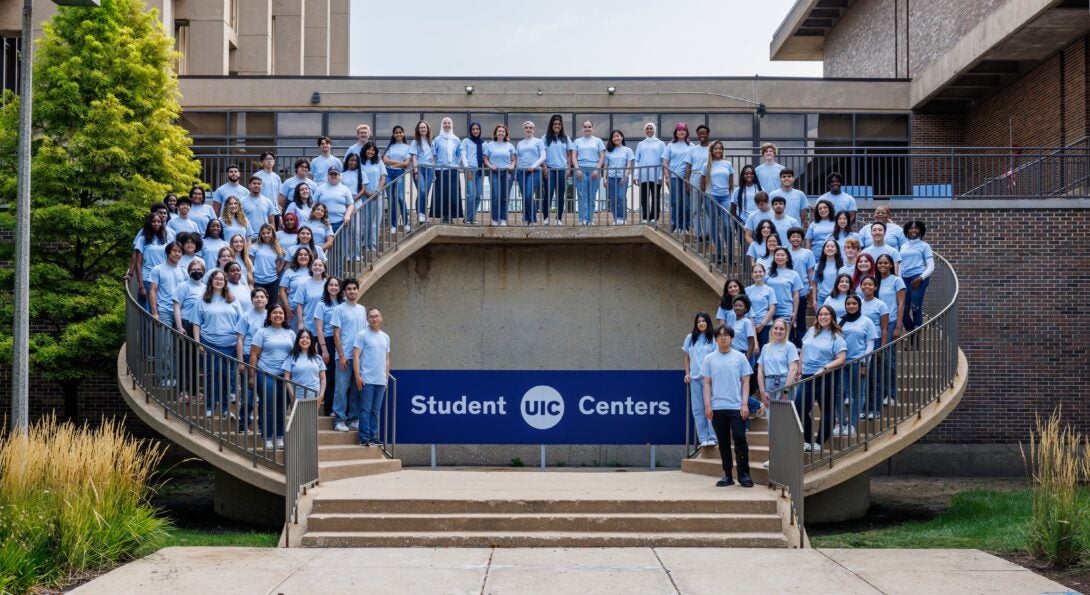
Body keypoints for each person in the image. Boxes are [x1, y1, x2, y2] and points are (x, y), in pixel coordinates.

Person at [700, 324, 755, 488]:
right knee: (723, 442)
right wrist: (707, 405)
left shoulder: (740, 357)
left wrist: (745, 404)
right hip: (717, 407)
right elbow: (707, 384)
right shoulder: (709, 359)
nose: (723, 337)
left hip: (736, 406)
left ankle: (744, 475)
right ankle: (727, 475)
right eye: (719, 335)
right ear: (716, 339)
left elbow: (746, 382)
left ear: (731, 338)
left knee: (740, 439)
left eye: (726, 335)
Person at [194, 269, 244, 419]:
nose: (219, 281)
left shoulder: (233, 300)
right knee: (211, 375)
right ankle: (209, 406)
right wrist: (197, 342)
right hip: (209, 342)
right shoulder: (202, 300)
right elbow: (196, 323)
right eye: (216, 279)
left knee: (226, 376)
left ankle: (224, 408)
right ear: (211, 281)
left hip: (229, 344)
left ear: (225, 282)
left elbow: (240, 324)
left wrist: (238, 343)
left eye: (222, 279)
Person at [798, 305, 847, 452]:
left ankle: (819, 442)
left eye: (826, 314)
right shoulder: (811, 331)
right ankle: (807, 441)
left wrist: (825, 368)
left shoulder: (836, 336)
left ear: (832, 317)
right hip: (807, 376)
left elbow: (841, 359)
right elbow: (803, 350)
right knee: (800, 408)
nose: (823, 317)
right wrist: (800, 368)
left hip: (826, 376)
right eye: (820, 314)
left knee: (826, 410)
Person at [249, 304, 296, 449]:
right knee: (269, 405)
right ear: (269, 316)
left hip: (285, 375)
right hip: (265, 373)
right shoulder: (262, 332)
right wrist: (251, 375)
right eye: (275, 313)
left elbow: (295, 355)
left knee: (282, 406)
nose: (278, 315)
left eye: (281, 313)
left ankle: (280, 435)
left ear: (284, 316)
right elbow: (254, 355)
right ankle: (268, 436)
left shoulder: (291, 333)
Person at [835, 294, 877, 438]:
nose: (851, 306)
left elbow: (870, 344)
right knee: (838, 393)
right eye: (848, 303)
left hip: (858, 362)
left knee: (858, 393)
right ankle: (840, 423)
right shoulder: (840, 321)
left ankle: (852, 424)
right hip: (841, 362)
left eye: (854, 303)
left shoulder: (867, 321)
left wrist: (865, 363)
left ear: (859, 305)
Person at [331, 278, 367, 432]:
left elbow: (365, 333)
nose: (352, 291)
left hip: (359, 356)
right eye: (349, 289)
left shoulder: (362, 309)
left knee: (356, 388)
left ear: (357, 290)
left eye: (354, 288)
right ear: (344, 292)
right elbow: (336, 334)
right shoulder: (339, 309)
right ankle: (339, 419)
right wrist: (341, 355)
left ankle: (353, 418)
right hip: (344, 355)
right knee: (341, 389)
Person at [147, 241, 185, 387]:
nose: (177, 253)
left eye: (179, 251)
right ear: (168, 253)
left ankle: (175, 376)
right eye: (174, 251)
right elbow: (153, 291)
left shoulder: (183, 271)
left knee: (176, 347)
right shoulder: (158, 269)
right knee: (164, 346)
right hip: (164, 310)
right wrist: (154, 312)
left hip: (180, 313)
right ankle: (163, 376)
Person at [353, 307, 391, 447]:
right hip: (366, 379)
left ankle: (373, 437)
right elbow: (356, 356)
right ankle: (364, 438)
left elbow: (387, 359)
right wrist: (358, 376)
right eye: (371, 317)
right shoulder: (362, 335)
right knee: (365, 409)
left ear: (381, 318)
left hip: (380, 380)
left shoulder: (385, 337)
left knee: (375, 411)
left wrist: (386, 378)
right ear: (367, 320)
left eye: (376, 316)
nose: (374, 319)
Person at [234, 286, 269, 432]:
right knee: (248, 395)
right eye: (256, 297)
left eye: (262, 297)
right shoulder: (246, 316)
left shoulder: (271, 315)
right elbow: (240, 340)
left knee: (265, 396)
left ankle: (263, 426)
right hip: (249, 357)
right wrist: (241, 361)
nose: (259, 299)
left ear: (267, 299)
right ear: (252, 300)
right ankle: (243, 425)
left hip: (267, 358)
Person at [756, 317, 800, 427]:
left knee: (785, 422)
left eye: (781, 329)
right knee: (772, 422)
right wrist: (762, 391)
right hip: (769, 385)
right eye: (776, 328)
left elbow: (793, 369)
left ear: (786, 331)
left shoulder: (790, 346)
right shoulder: (766, 347)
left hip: (785, 384)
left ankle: (787, 444)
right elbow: (760, 371)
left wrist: (785, 391)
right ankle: (774, 445)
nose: (778, 331)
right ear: (771, 329)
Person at [682, 312, 717, 448]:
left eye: (704, 321)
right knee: (697, 409)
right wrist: (687, 373)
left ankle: (712, 437)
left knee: (710, 407)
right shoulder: (690, 338)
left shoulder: (713, 338)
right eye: (699, 321)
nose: (701, 323)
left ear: (708, 323)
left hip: (709, 379)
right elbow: (687, 357)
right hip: (695, 378)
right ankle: (703, 438)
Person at [875, 254, 906, 405]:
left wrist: (898, 326)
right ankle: (882, 393)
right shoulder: (875, 281)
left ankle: (892, 395)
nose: (882, 265)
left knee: (890, 360)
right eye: (880, 263)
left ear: (891, 265)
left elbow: (901, 304)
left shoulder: (896, 280)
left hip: (892, 322)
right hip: (877, 324)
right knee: (879, 361)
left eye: (885, 263)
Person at [127, 212, 174, 307]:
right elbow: (138, 263)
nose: (156, 224)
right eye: (153, 221)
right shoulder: (142, 239)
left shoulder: (166, 239)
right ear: (149, 223)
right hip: (148, 277)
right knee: (147, 309)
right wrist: (141, 286)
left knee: (161, 307)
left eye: (159, 221)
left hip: (163, 277)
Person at [313, 276, 343, 416]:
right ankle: (329, 408)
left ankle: (341, 408)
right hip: (328, 341)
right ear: (326, 287)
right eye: (331, 285)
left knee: (341, 376)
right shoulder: (321, 305)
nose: (334, 287)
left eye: (336, 285)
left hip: (343, 341)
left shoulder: (343, 303)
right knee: (329, 376)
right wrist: (324, 349)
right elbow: (319, 329)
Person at [899, 220, 934, 333]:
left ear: (920, 230)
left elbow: (931, 266)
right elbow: (901, 264)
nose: (913, 230)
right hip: (904, 279)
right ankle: (912, 333)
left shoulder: (925, 246)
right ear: (907, 230)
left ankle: (916, 339)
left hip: (918, 278)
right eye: (911, 228)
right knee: (903, 310)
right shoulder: (903, 246)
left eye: (916, 228)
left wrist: (920, 278)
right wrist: (899, 280)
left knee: (916, 308)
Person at [786, 228, 816, 346]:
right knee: (789, 317)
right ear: (789, 239)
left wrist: (811, 287)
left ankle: (801, 343)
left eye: (798, 236)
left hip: (802, 289)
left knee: (801, 318)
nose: (796, 239)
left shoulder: (807, 253)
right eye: (793, 236)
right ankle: (790, 341)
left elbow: (810, 271)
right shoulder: (785, 251)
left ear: (802, 239)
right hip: (787, 290)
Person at [573, 120, 605, 226]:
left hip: (594, 170)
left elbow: (602, 157)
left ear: (592, 128)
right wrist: (577, 169)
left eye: (589, 126)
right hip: (580, 169)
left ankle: (590, 219)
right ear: (582, 128)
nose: (587, 128)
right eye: (585, 126)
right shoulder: (577, 141)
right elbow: (573, 156)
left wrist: (597, 169)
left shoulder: (598, 141)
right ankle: (582, 219)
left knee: (591, 196)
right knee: (582, 196)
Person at [543, 115, 574, 226]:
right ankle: (546, 217)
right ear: (552, 125)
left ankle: (558, 218)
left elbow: (569, 154)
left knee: (561, 194)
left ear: (561, 126)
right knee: (548, 193)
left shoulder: (565, 138)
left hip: (561, 169)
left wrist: (568, 168)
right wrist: (545, 167)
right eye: (555, 124)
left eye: (559, 124)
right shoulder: (545, 138)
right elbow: (543, 154)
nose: (557, 126)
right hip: (550, 169)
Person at [686, 125, 716, 237]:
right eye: (699, 133)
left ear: (708, 134)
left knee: (708, 207)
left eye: (703, 133)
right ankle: (698, 234)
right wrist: (687, 182)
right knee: (695, 209)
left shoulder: (712, 149)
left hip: (709, 178)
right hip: (695, 176)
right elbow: (688, 167)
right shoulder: (692, 149)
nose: (701, 135)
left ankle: (707, 234)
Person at [282, 329, 327, 404]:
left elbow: (323, 378)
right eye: (302, 337)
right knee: (298, 416)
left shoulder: (318, 358)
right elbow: (286, 378)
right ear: (298, 340)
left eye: (307, 338)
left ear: (311, 341)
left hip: (315, 395)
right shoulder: (291, 357)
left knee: (312, 416)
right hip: (297, 395)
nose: (305, 339)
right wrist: (292, 395)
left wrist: (321, 395)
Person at [484, 124, 517, 226]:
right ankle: (494, 219)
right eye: (499, 131)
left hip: (507, 173)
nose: (501, 133)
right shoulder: (490, 145)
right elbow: (485, 159)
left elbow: (514, 159)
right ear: (495, 133)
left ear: (505, 133)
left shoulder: (510, 145)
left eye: (503, 131)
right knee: (495, 196)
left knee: (505, 197)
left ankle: (503, 219)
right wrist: (490, 166)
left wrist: (512, 165)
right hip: (494, 172)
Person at [514, 121, 546, 225]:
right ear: (524, 130)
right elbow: (518, 158)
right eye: (526, 128)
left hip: (534, 171)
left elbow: (543, 156)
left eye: (530, 128)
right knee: (525, 196)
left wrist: (534, 166)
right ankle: (527, 219)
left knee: (528, 194)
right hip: (521, 172)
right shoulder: (520, 143)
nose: (528, 129)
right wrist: (517, 170)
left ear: (533, 130)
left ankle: (532, 219)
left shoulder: (538, 141)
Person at [661, 123, 692, 232]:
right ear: (676, 132)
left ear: (687, 132)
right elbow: (665, 162)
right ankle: (676, 225)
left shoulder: (691, 146)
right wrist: (667, 177)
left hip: (686, 178)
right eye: (679, 130)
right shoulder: (670, 146)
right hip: (673, 176)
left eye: (684, 130)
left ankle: (685, 225)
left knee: (686, 203)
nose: (681, 132)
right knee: (675, 202)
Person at [357, 142, 388, 248]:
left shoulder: (379, 162)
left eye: (373, 150)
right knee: (364, 220)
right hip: (363, 194)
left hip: (377, 195)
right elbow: (359, 179)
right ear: (365, 150)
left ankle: (373, 244)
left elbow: (383, 177)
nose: (371, 152)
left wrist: (378, 191)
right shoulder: (360, 162)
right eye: (368, 149)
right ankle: (364, 244)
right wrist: (366, 192)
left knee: (375, 220)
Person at [432, 117, 463, 223]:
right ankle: (443, 216)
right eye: (444, 123)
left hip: (453, 170)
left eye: (449, 123)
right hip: (440, 170)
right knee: (441, 194)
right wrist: (434, 169)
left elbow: (459, 155)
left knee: (453, 193)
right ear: (442, 125)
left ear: (452, 125)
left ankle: (451, 216)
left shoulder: (456, 139)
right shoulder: (437, 139)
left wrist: (454, 164)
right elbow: (434, 156)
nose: (447, 125)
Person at [383, 125, 412, 233]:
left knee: (400, 197)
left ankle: (406, 223)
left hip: (400, 173)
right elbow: (385, 160)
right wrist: (399, 163)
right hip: (389, 174)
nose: (398, 134)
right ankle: (393, 225)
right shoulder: (391, 146)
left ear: (403, 134)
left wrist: (394, 165)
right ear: (393, 134)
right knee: (391, 200)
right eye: (396, 132)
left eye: (400, 132)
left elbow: (407, 164)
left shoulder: (408, 147)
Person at [634, 122, 665, 224]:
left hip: (656, 175)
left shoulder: (660, 143)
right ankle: (645, 217)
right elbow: (637, 160)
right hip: (643, 175)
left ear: (654, 129)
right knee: (644, 198)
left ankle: (654, 218)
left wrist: (661, 175)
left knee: (655, 198)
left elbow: (663, 161)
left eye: (651, 128)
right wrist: (635, 175)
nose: (649, 130)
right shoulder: (641, 144)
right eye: (647, 129)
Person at [766, 248, 803, 331]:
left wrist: (795, 312)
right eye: (777, 255)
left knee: (783, 339)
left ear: (787, 258)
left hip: (785, 311)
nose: (779, 257)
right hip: (768, 311)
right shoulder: (768, 273)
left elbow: (795, 294)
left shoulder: (793, 274)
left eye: (782, 255)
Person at [249, 223, 285, 309]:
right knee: (259, 306)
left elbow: (280, 264)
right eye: (263, 233)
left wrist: (277, 270)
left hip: (273, 282)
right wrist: (251, 279)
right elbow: (250, 264)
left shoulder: (277, 248)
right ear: (260, 234)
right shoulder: (254, 247)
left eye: (268, 233)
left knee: (272, 307)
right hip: (258, 281)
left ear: (272, 234)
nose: (266, 235)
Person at [603, 130, 634, 225]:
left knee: (621, 197)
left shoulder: (627, 150)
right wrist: (604, 178)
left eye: (618, 136)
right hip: (611, 178)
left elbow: (629, 164)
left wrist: (625, 176)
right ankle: (616, 218)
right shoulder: (608, 151)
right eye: (614, 137)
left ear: (622, 137)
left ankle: (622, 217)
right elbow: (605, 166)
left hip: (622, 178)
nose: (616, 138)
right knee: (613, 199)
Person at [291, 259, 328, 335]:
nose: (317, 267)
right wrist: (300, 323)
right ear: (311, 267)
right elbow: (299, 305)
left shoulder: (328, 285)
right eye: (315, 265)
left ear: (324, 269)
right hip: (308, 324)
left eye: (320, 265)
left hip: (326, 325)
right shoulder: (303, 285)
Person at [745, 263, 776, 350]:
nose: (758, 274)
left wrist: (762, 325)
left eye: (760, 271)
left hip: (766, 325)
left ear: (764, 273)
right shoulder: (747, 290)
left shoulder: (770, 290)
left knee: (765, 350)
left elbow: (772, 309)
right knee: (752, 350)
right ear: (752, 275)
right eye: (755, 272)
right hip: (750, 325)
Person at [460, 122, 487, 225]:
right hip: (470, 169)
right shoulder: (466, 141)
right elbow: (463, 155)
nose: (475, 131)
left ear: (480, 130)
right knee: (470, 194)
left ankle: (473, 217)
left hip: (480, 171)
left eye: (477, 129)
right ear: (470, 131)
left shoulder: (484, 143)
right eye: (473, 129)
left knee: (478, 196)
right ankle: (467, 218)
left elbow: (485, 158)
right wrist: (467, 169)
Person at [409, 120, 435, 224]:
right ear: (418, 130)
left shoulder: (432, 143)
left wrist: (433, 172)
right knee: (422, 191)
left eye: (424, 127)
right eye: (421, 128)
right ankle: (420, 214)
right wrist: (415, 170)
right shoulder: (415, 142)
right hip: (419, 168)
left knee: (425, 193)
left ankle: (423, 215)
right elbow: (414, 157)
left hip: (429, 169)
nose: (423, 129)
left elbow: (433, 159)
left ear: (427, 129)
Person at [316, 167, 354, 234]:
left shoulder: (345, 189)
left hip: (340, 222)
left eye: (335, 174)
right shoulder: (320, 188)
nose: (333, 176)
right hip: (322, 222)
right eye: (331, 174)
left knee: (341, 244)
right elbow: (314, 204)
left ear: (339, 176)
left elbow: (350, 204)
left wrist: (347, 215)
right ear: (328, 176)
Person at [279, 247, 313, 319]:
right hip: (293, 310)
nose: (303, 256)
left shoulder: (314, 272)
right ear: (296, 257)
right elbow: (282, 291)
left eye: (305, 255)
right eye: (300, 255)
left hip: (310, 309)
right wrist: (287, 308)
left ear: (309, 257)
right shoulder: (289, 272)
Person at [813, 239, 844, 310]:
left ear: (836, 250)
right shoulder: (818, 266)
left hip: (836, 297)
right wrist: (814, 300)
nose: (830, 248)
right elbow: (814, 283)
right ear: (824, 250)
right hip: (821, 298)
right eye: (827, 246)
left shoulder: (842, 266)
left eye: (832, 246)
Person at [729, 295, 757, 363]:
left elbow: (751, 343)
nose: (737, 307)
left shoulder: (747, 322)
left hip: (744, 355)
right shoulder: (734, 322)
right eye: (735, 305)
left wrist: (746, 360)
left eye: (740, 306)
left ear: (745, 309)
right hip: (734, 355)